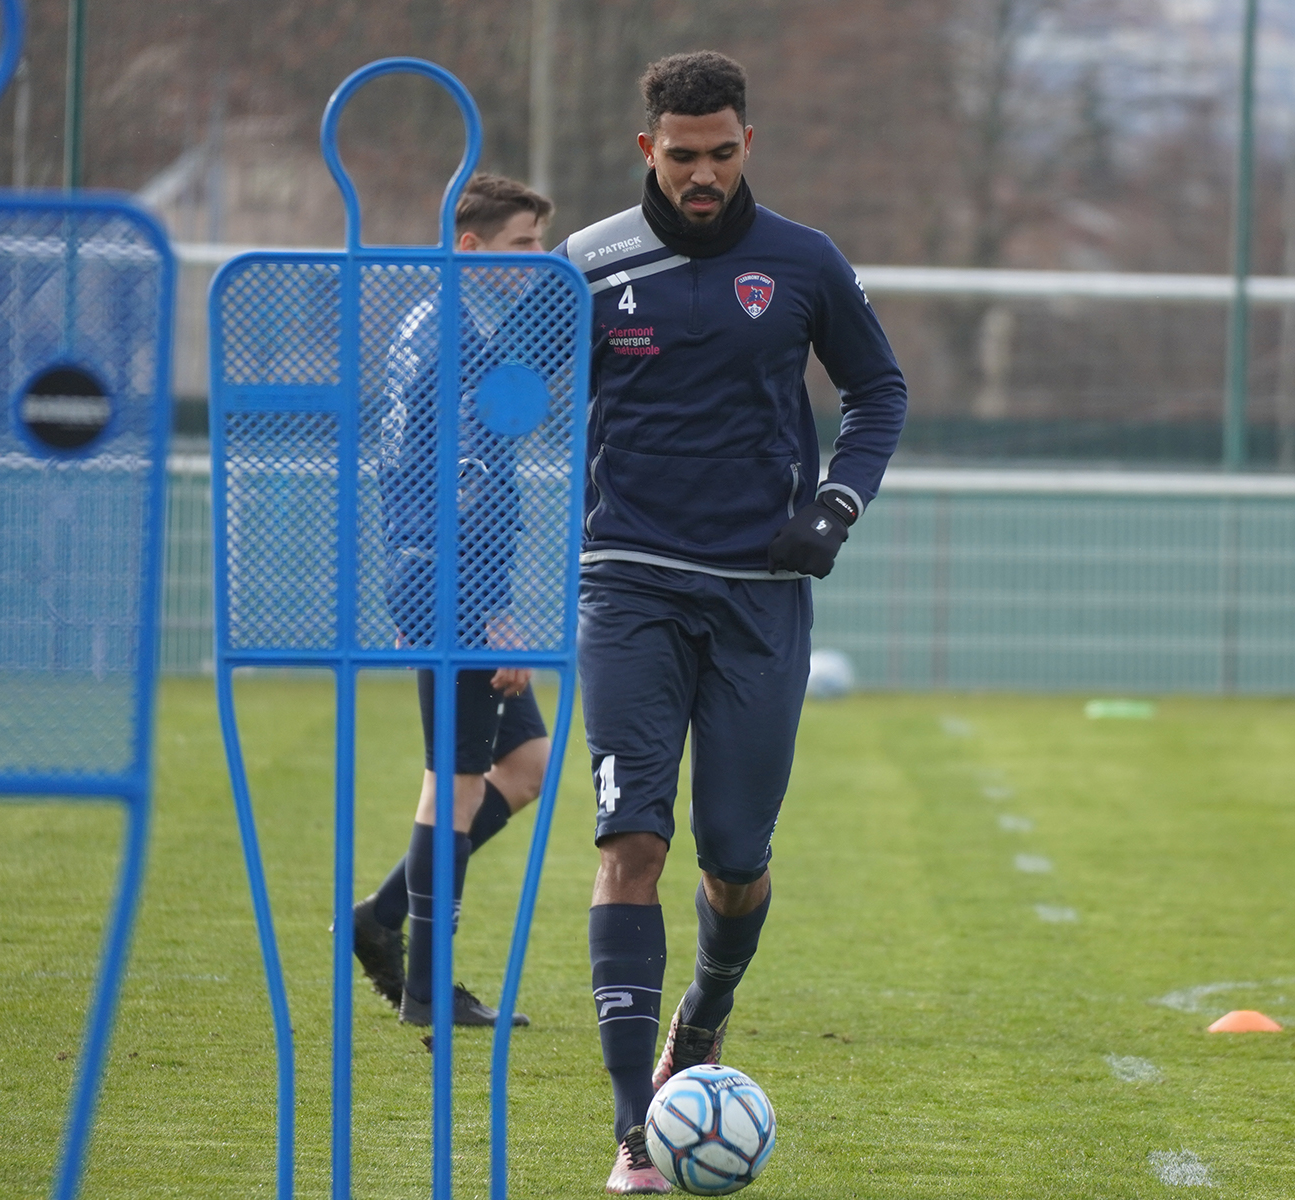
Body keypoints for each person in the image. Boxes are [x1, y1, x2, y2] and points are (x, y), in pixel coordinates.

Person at [551, 52, 907, 1193]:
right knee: (630, 845)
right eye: (680, 155)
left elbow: (879, 390)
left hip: (759, 595)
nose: (700, 175)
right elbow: (522, 397)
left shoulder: (804, 261)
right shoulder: (590, 264)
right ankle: (633, 1131)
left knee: (734, 861)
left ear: (746, 144)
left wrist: (835, 507)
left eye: (719, 154)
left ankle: (703, 1014)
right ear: (646, 149)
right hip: (627, 585)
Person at [350, 173, 556, 1030]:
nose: (539, 261)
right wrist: (491, 610)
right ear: (469, 248)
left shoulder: (428, 321)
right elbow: (465, 486)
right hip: (451, 579)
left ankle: (380, 917)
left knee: (528, 762)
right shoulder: (459, 339)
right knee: (457, 785)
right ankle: (428, 989)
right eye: (523, 245)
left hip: (428, 572)